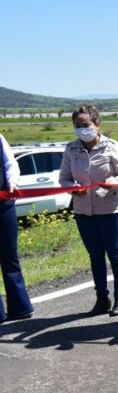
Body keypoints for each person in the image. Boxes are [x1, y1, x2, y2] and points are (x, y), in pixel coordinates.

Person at [59, 105, 118, 316]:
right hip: (83, 211)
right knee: (95, 256)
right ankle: (102, 298)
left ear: (97, 124)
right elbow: (63, 179)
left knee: (115, 253)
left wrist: (114, 181)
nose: (81, 129)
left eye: (85, 124)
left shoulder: (112, 146)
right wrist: (73, 188)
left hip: (110, 210)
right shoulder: (71, 149)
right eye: (77, 125)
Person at [0, 134, 33, 323]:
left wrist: (12, 182)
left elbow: (10, 164)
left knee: (10, 256)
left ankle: (20, 307)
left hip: (4, 204)